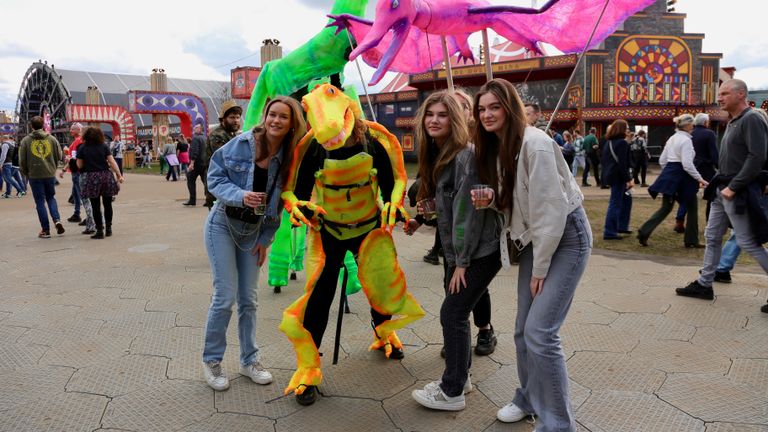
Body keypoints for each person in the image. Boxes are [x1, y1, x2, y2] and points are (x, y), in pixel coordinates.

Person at [471, 78, 591, 430]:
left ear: (510, 107)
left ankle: (558, 424)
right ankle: (528, 398)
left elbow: (551, 213)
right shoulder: (497, 146)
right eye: (481, 109)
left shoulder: (535, 145)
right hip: (537, 240)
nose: (487, 114)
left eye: (494, 107)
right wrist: (494, 201)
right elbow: (520, 203)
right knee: (523, 330)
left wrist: (539, 269)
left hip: (566, 238)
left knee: (541, 332)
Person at [202, 96, 306, 391]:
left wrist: (264, 239)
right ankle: (212, 361)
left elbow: (279, 204)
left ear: (291, 123)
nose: (275, 120)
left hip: (252, 233)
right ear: (265, 115)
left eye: (283, 117)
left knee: (249, 300)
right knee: (225, 297)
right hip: (222, 224)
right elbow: (214, 177)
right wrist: (240, 195)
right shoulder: (243, 143)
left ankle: (249, 360)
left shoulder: (289, 156)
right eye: (272, 114)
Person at [407, 91, 501, 412]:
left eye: (442, 115)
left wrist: (460, 263)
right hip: (460, 252)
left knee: (453, 313)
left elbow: (468, 215)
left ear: (456, 119)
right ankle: (461, 376)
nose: (434, 120)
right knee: (455, 312)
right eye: (430, 114)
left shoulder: (465, 156)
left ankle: (452, 392)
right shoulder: (439, 154)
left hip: (479, 251)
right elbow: (449, 207)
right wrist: (428, 211)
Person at [676, 79, 768, 313]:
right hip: (722, 187)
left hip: (736, 190)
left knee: (749, 241)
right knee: (712, 235)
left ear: (740, 94)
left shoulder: (752, 118)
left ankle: (706, 282)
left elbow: (756, 157)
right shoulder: (734, 120)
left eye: (725, 93)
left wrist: (734, 187)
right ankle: (705, 284)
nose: (720, 97)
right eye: (720, 93)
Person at [637, 115, 707, 248]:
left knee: (666, 207)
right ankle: (691, 239)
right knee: (692, 207)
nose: (693, 126)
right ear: (687, 125)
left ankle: (644, 231)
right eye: (692, 124)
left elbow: (662, 160)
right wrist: (700, 178)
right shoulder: (686, 141)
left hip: (670, 174)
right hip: (683, 177)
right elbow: (687, 164)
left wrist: (669, 173)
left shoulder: (672, 138)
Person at [19, 116, 65, 238]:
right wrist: (53, 167)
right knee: (51, 198)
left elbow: (22, 160)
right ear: (43, 126)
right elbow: (60, 155)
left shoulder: (25, 141)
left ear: (31, 126)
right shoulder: (52, 139)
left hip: (34, 175)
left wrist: (25, 172)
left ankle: (45, 230)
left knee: (40, 202)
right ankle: (57, 220)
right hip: (49, 174)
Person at [76, 127, 124, 239]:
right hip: (106, 176)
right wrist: (119, 175)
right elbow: (112, 162)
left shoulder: (82, 148)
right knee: (108, 204)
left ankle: (99, 231)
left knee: (95, 206)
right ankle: (109, 229)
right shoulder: (104, 146)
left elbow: (79, 165)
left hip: (92, 177)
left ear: (86, 136)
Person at [675, 113, 720, 230]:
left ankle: (679, 220)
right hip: (706, 167)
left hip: (692, 166)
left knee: (688, 193)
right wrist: (719, 166)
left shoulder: (690, 133)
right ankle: (710, 222)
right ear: (705, 122)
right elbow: (713, 153)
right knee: (712, 194)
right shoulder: (710, 134)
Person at [204, 100, 242, 208]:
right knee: (218, 221)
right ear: (223, 119)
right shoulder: (218, 135)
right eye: (232, 117)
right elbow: (227, 160)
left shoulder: (231, 134)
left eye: (238, 117)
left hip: (229, 183)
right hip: (218, 183)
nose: (236, 121)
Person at [601, 120, 634, 240]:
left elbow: (604, 160)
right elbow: (623, 164)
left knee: (626, 199)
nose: (628, 130)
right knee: (615, 203)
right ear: (621, 129)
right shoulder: (622, 143)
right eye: (626, 128)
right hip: (618, 177)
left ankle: (621, 226)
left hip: (610, 175)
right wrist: (629, 179)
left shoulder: (608, 142)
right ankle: (610, 232)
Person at [184, 124, 207, 206]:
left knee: (190, 179)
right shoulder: (205, 138)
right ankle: (208, 200)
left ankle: (192, 200)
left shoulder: (196, 138)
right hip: (204, 163)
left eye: (196, 127)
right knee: (205, 181)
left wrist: (192, 163)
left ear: (200, 129)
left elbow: (195, 151)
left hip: (197, 163)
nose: (194, 128)